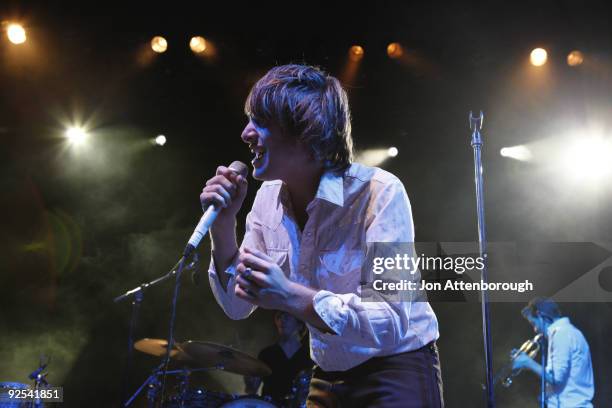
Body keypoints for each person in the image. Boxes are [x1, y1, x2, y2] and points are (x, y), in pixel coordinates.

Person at [202, 64, 442, 407]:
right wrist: (224, 226)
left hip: (396, 367)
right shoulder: (267, 198)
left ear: (304, 132)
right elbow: (237, 306)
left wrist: (289, 295)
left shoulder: (379, 192)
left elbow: (390, 319)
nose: (245, 133)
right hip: (328, 371)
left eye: (260, 122)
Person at [512, 297, 594, 407]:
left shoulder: (561, 334)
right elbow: (558, 377)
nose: (535, 329)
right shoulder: (567, 332)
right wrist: (526, 364)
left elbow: (556, 379)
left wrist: (528, 362)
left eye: (533, 324)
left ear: (540, 315)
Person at [243, 311, 313, 406]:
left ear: (300, 325)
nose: (282, 319)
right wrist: (250, 386)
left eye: (287, 316)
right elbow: (252, 391)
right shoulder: (266, 354)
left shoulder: (309, 357)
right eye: (279, 317)